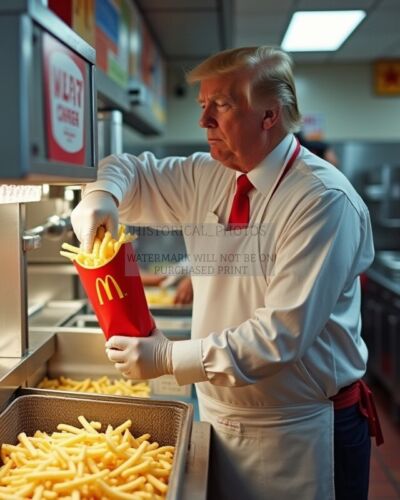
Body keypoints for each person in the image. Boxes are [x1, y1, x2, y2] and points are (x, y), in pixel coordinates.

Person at [71, 46, 382, 500]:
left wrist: (167, 359)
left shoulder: (321, 200)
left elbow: (280, 335)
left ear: (270, 115)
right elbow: (129, 170)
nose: (204, 121)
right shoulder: (209, 175)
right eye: (202, 105)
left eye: (222, 105)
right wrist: (103, 196)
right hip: (218, 416)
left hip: (301, 431)